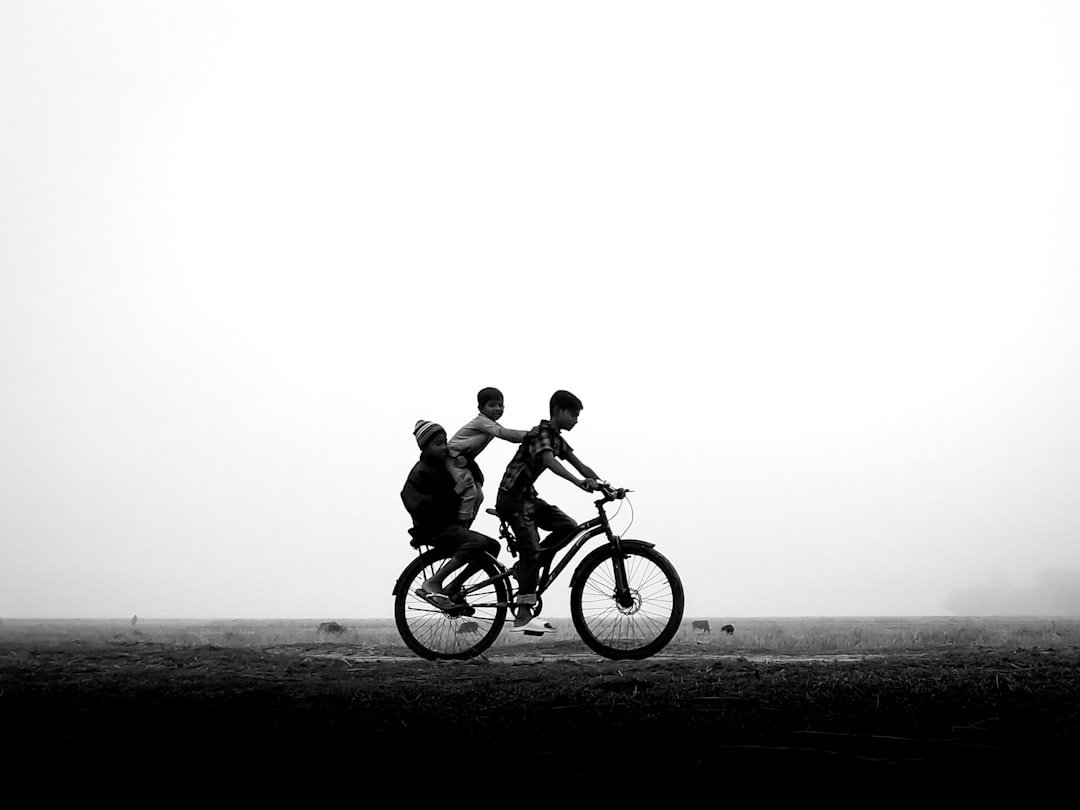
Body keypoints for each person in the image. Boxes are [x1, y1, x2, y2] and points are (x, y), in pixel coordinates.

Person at [495, 390, 601, 634]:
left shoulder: (556, 438)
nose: (576, 419)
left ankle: (530, 566)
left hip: (528, 499)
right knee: (530, 551)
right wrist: (578, 482)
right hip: (512, 500)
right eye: (573, 414)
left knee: (569, 526)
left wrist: (605, 485)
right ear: (558, 411)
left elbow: (580, 464)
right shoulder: (540, 434)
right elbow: (549, 462)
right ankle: (523, 614)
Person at [401, 419, 501, 608]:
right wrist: (454, 492)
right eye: (438, 444)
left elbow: (477, 480)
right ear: (425, 447)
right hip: (433, 529)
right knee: (477, 542)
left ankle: (452, 588)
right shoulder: (420, 472)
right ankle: (433, 582)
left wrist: (468, 463)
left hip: (450, 526)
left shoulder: (446, 465)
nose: (444, 448)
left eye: (445, 443)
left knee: (493, 547)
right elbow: (419, 505)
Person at [446, 387, 527, 527]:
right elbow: (506, 434)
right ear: (481, 408)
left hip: (463, 458)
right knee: (469, 491)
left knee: (479, 496)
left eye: (500, 405)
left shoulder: (490, 424)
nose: (497, 408)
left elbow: (508, 433)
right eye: (491, 405)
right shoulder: (482, 422)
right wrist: (534, 434)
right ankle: (459, 529)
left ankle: (466, 526)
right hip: (452, 457)